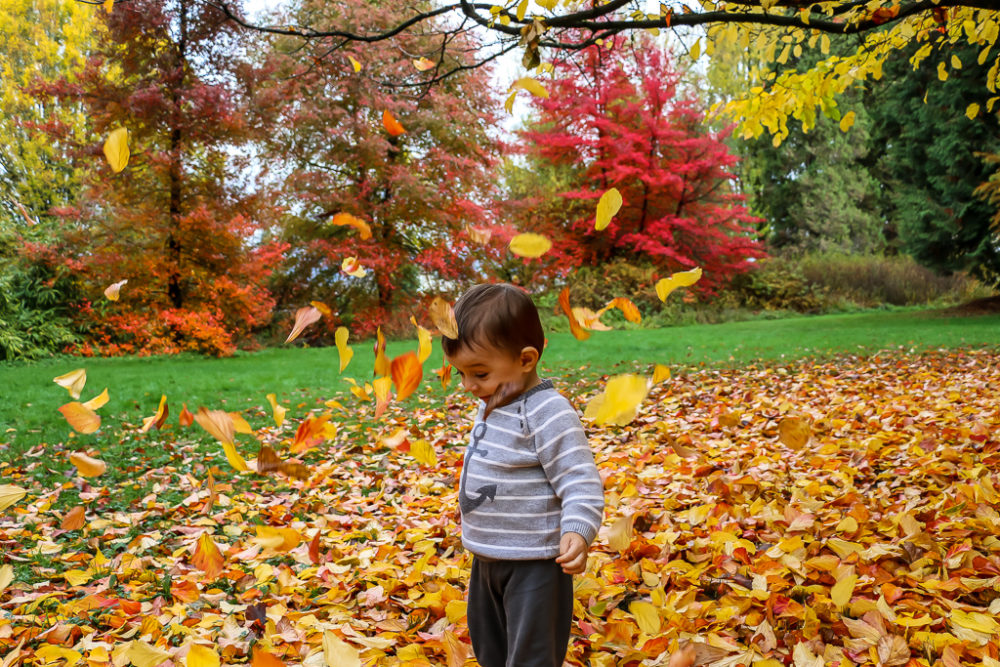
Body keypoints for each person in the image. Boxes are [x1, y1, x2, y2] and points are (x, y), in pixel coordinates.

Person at [441, 283, 605, 667]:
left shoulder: (548, 412)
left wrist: (578, 530)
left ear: (526, 359)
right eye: (462, 374)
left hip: (535, 564)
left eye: (478, 373)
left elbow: (579, 478)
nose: (468, 386)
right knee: (491, 650)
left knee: (531, 657)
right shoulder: (495, 400)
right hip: (487, 559)